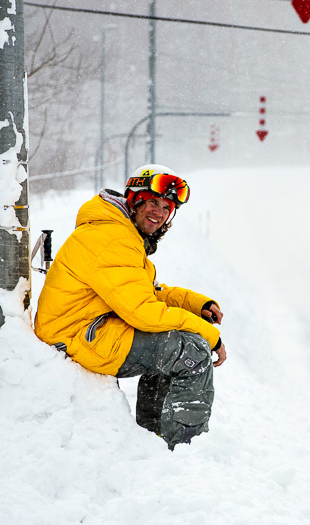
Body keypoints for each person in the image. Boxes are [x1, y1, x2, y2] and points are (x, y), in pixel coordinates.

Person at [34, 164, 227, 449]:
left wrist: (195, 304)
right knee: (192, 351)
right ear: (135, 200)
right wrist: (210, 336)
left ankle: (155, 439)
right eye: (152, 202)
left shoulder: (118, 231)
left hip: (88, 326)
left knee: (169, 344)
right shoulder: (113, 238)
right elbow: (143, 312)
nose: (159, 213)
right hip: (79, 335)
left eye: (166, 207)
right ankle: (188, 449)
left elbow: (145, 291)